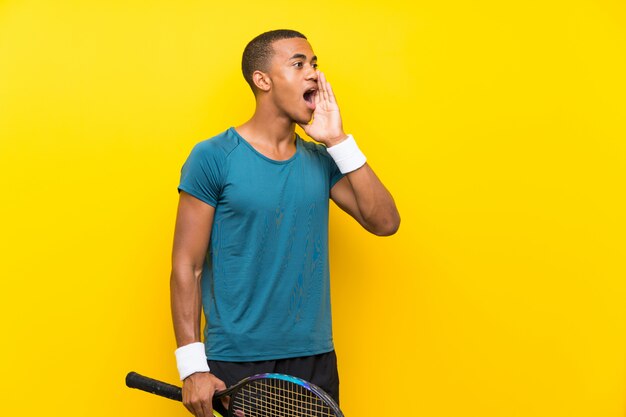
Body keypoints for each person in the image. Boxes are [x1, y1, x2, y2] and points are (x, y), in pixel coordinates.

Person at [170, 29, 400, 417]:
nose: (313, 74)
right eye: (298, 64)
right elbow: (186, 267)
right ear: (263, 80)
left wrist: (338, 140)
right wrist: (193, 367)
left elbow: (385, 222)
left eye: (314, 65)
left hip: (315, 360)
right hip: (237, 364)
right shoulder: (213, 157)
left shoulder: (323, 160)